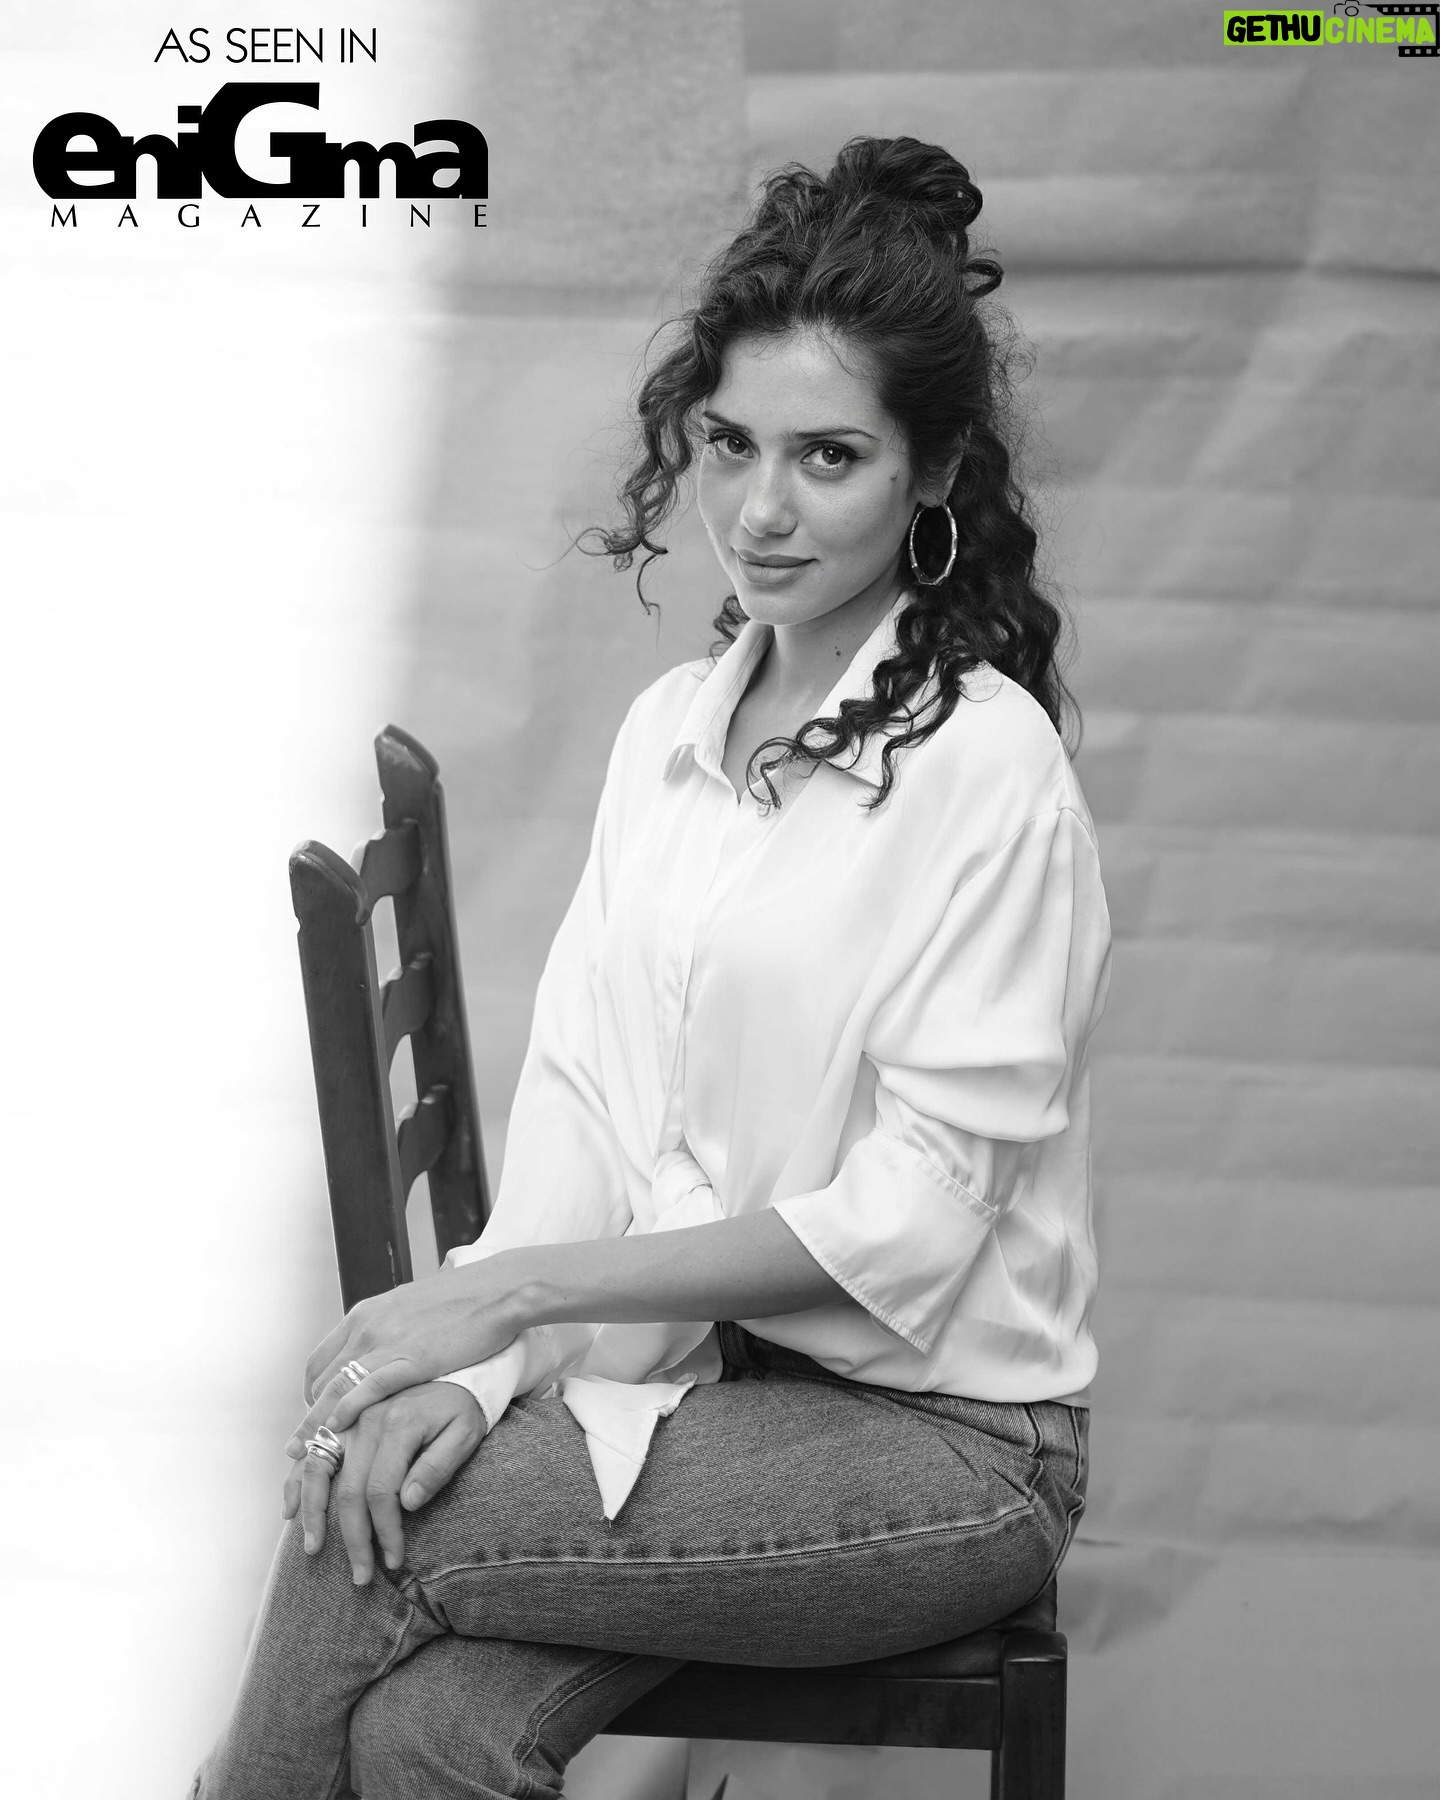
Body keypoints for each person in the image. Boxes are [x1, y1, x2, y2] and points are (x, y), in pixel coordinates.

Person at [192, 135, 1112, 1800]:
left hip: (952, 1450)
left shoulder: (985, 766)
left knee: (352, 1530)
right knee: (419, 1724)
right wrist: (481, 1368)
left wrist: (515, 1298)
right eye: (730, 443)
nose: (760, 510)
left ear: (932, 475)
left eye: (828, 457)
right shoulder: (666, 737)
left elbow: (911, 1224)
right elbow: (586, 1114)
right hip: (699, 1397)